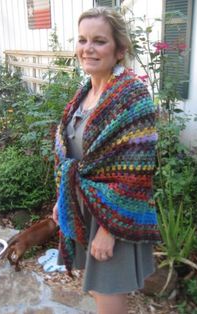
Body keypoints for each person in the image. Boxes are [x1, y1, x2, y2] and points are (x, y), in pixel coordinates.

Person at [52, 6, 161, 314]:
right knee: (96, 290)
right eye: (82, 39)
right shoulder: (84, 92)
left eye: (99, 41)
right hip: (82, 208)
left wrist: (109, 229)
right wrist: (62, 200)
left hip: (113, 215)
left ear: (119, 48)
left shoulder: (132, 97)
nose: (88, 48)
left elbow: (137, 174)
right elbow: (70, 158)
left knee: (109, 296)